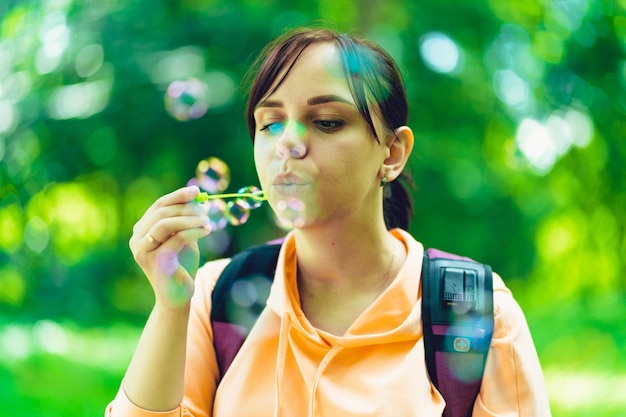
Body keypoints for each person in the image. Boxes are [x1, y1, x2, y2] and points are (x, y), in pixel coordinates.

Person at [106, 26, 551, 416]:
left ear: (392, 153)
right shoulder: (212, 297)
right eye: (271, 124)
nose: (289, 145)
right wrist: (170, 307)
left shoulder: (477, 313)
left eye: (326, 121)